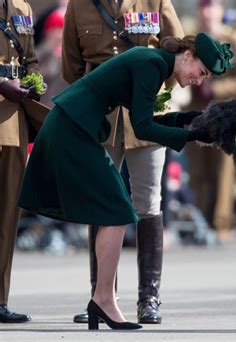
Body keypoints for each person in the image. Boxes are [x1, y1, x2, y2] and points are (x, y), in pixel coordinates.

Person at [17, 33, 233, 330]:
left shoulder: (153, 62)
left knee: (116, 211)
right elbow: (143, 128)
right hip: (73, 128)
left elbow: (144, 119)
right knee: (117, 210)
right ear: (188, 56)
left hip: (74, 124)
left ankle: (102, 299)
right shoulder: (152, 64)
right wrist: (192, 134)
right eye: (202, 71)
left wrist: (192, 119)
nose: (200, 80)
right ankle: (103, 299)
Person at [61, 0, 184, 325]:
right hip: (102, 118)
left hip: (147, 117)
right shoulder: (79, 5)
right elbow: (70, 67)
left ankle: (149, 298)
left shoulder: (154, 0)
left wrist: (154, 96)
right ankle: (101, 297)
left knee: (148, 202)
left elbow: (179, 53)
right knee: (100, 205)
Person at [185, 0, 236, 239]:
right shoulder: (189, 39)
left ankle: (221, 224)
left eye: (212, 6)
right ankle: (199, 221)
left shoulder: (233, 39)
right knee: (197, 169)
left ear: (220, 10)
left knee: (223, 170)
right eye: (203, 6)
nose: (207, 11)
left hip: (223, 115)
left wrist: (216, 88)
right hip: (195, 114)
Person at [0, 0, 48, 324]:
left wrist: (34, 81)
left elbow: (29, 58)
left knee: (7, 216)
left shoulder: (22, 7)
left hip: (13, 122)